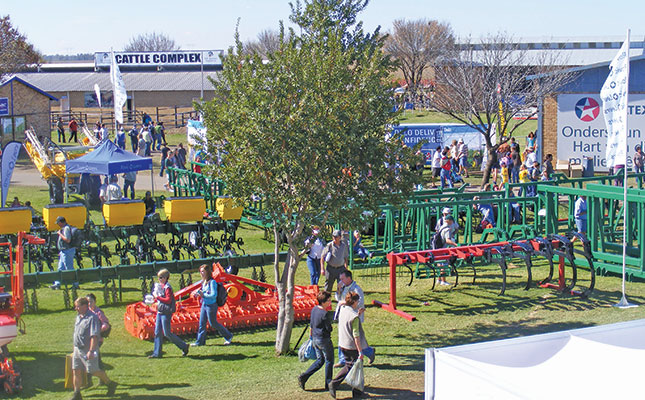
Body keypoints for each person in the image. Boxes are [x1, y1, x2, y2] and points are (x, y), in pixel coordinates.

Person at [70, 297, 117, 400]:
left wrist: (91, 351)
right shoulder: (79, 316)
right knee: (76, 370)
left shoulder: (93, 318)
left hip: (88, 349)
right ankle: (77, 393)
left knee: (92, 370)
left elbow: (94, 336)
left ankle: (110, 383)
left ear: (84, 306)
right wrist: (74, 349)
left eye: (77, 306)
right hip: (78, 349)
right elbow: (76, 333)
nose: (76, 308)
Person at [329, 291, 369, 399]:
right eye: (357, 301)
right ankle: (334, 383)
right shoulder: (354, 317)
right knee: (353, 367)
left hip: (342, 343)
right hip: (351, 346)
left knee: (352, 366)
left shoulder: (343, 310)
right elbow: (356, 335)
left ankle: (357, 392)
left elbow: (348, 321)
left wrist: (358, 313)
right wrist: (360, 351)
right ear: (355, 301)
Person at [334, 270, 374, 368]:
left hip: (353, 317)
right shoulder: (342, 287)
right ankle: (342, 360)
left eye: (342, 279)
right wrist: (338, 290)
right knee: (342, 337)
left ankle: (370, 352)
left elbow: (359, 304)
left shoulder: (356, 289)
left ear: (349, 278)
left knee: (355, 339)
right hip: (343, 315)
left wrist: (345, 303)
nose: (341, 281)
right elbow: (337, 299)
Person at [149, 269, 189, 358]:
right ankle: (157, 353)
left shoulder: (167, 288)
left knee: (167, 333)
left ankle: (183, 346)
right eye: (158, 277)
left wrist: (158, 297)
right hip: (160, 311)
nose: (159, 279)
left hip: (166, 312)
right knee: (157, 332)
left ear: (165, 278)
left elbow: (168, 300)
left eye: (160, 278)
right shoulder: (161, 287)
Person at [190, 264, 234, 347]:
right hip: (205, 304)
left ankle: (228, 336)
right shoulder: (204, 282)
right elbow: (204, 292)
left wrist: (204, 295)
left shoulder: (212, 282)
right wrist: (198, 294)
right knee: (202, 323)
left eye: (203, 271)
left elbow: (213, 295)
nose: (201, 273)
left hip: (211, 305)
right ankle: (200, 342)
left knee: (213, 323)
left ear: (207, 272)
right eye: (200, 271)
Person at [298, 291, 334, 392]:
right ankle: (328, 383)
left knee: (320, 360)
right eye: (328, 300)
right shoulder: (325, 314)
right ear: (323, 302)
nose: (330, 302)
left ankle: (304, 376)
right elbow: (328, 328)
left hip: (315, 338)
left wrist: (311, 337)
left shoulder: (314, 310)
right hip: (324, 340)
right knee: (329, 360)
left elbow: (311, 325)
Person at [50, 216, 76, 290]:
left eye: (58, 223)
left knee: (69, 267)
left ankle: (75, 283)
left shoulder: (66, 228)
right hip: (63, 251)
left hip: (67, 250)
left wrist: (59, 234)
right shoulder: (65, 228)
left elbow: (67, 240)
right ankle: (57, 284)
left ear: (61, 222)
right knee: (60, 268)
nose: (58, 224)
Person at [436, 215, 459, 286]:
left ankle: (439, 279)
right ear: (449, 221)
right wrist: (456, 244)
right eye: (452, 221)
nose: (452, 222)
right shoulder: (447, 229)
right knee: (443, 264)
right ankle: (443, 281)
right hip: (442, 248)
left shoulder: (442, 227)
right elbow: (447, 240)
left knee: (439, 263)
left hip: (437, 247)